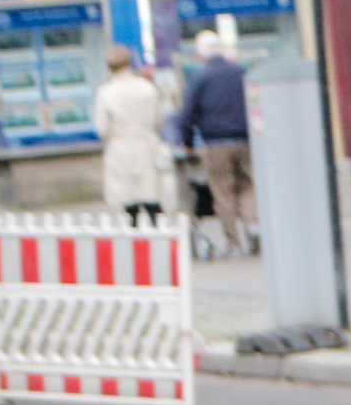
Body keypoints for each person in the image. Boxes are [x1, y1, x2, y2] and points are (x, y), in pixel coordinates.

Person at [176, 31, 255, 253]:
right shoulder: (241, 72)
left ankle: (234, 243)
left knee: (223, 192)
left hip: (216, 143)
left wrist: (188, 142)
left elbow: (187, 115)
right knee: (248, 185)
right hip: (245, 141)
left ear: (201, 55)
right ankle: (253, 226)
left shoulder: (199, 78)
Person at [93, 45, 169, 222]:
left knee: (128, 196)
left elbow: (102, 129)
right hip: (147, 145)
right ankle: (157, 227)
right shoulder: (147, 88)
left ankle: (134, 229)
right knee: (150, 191)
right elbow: (159, 120)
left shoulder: (105, 93)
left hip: (121, 148)